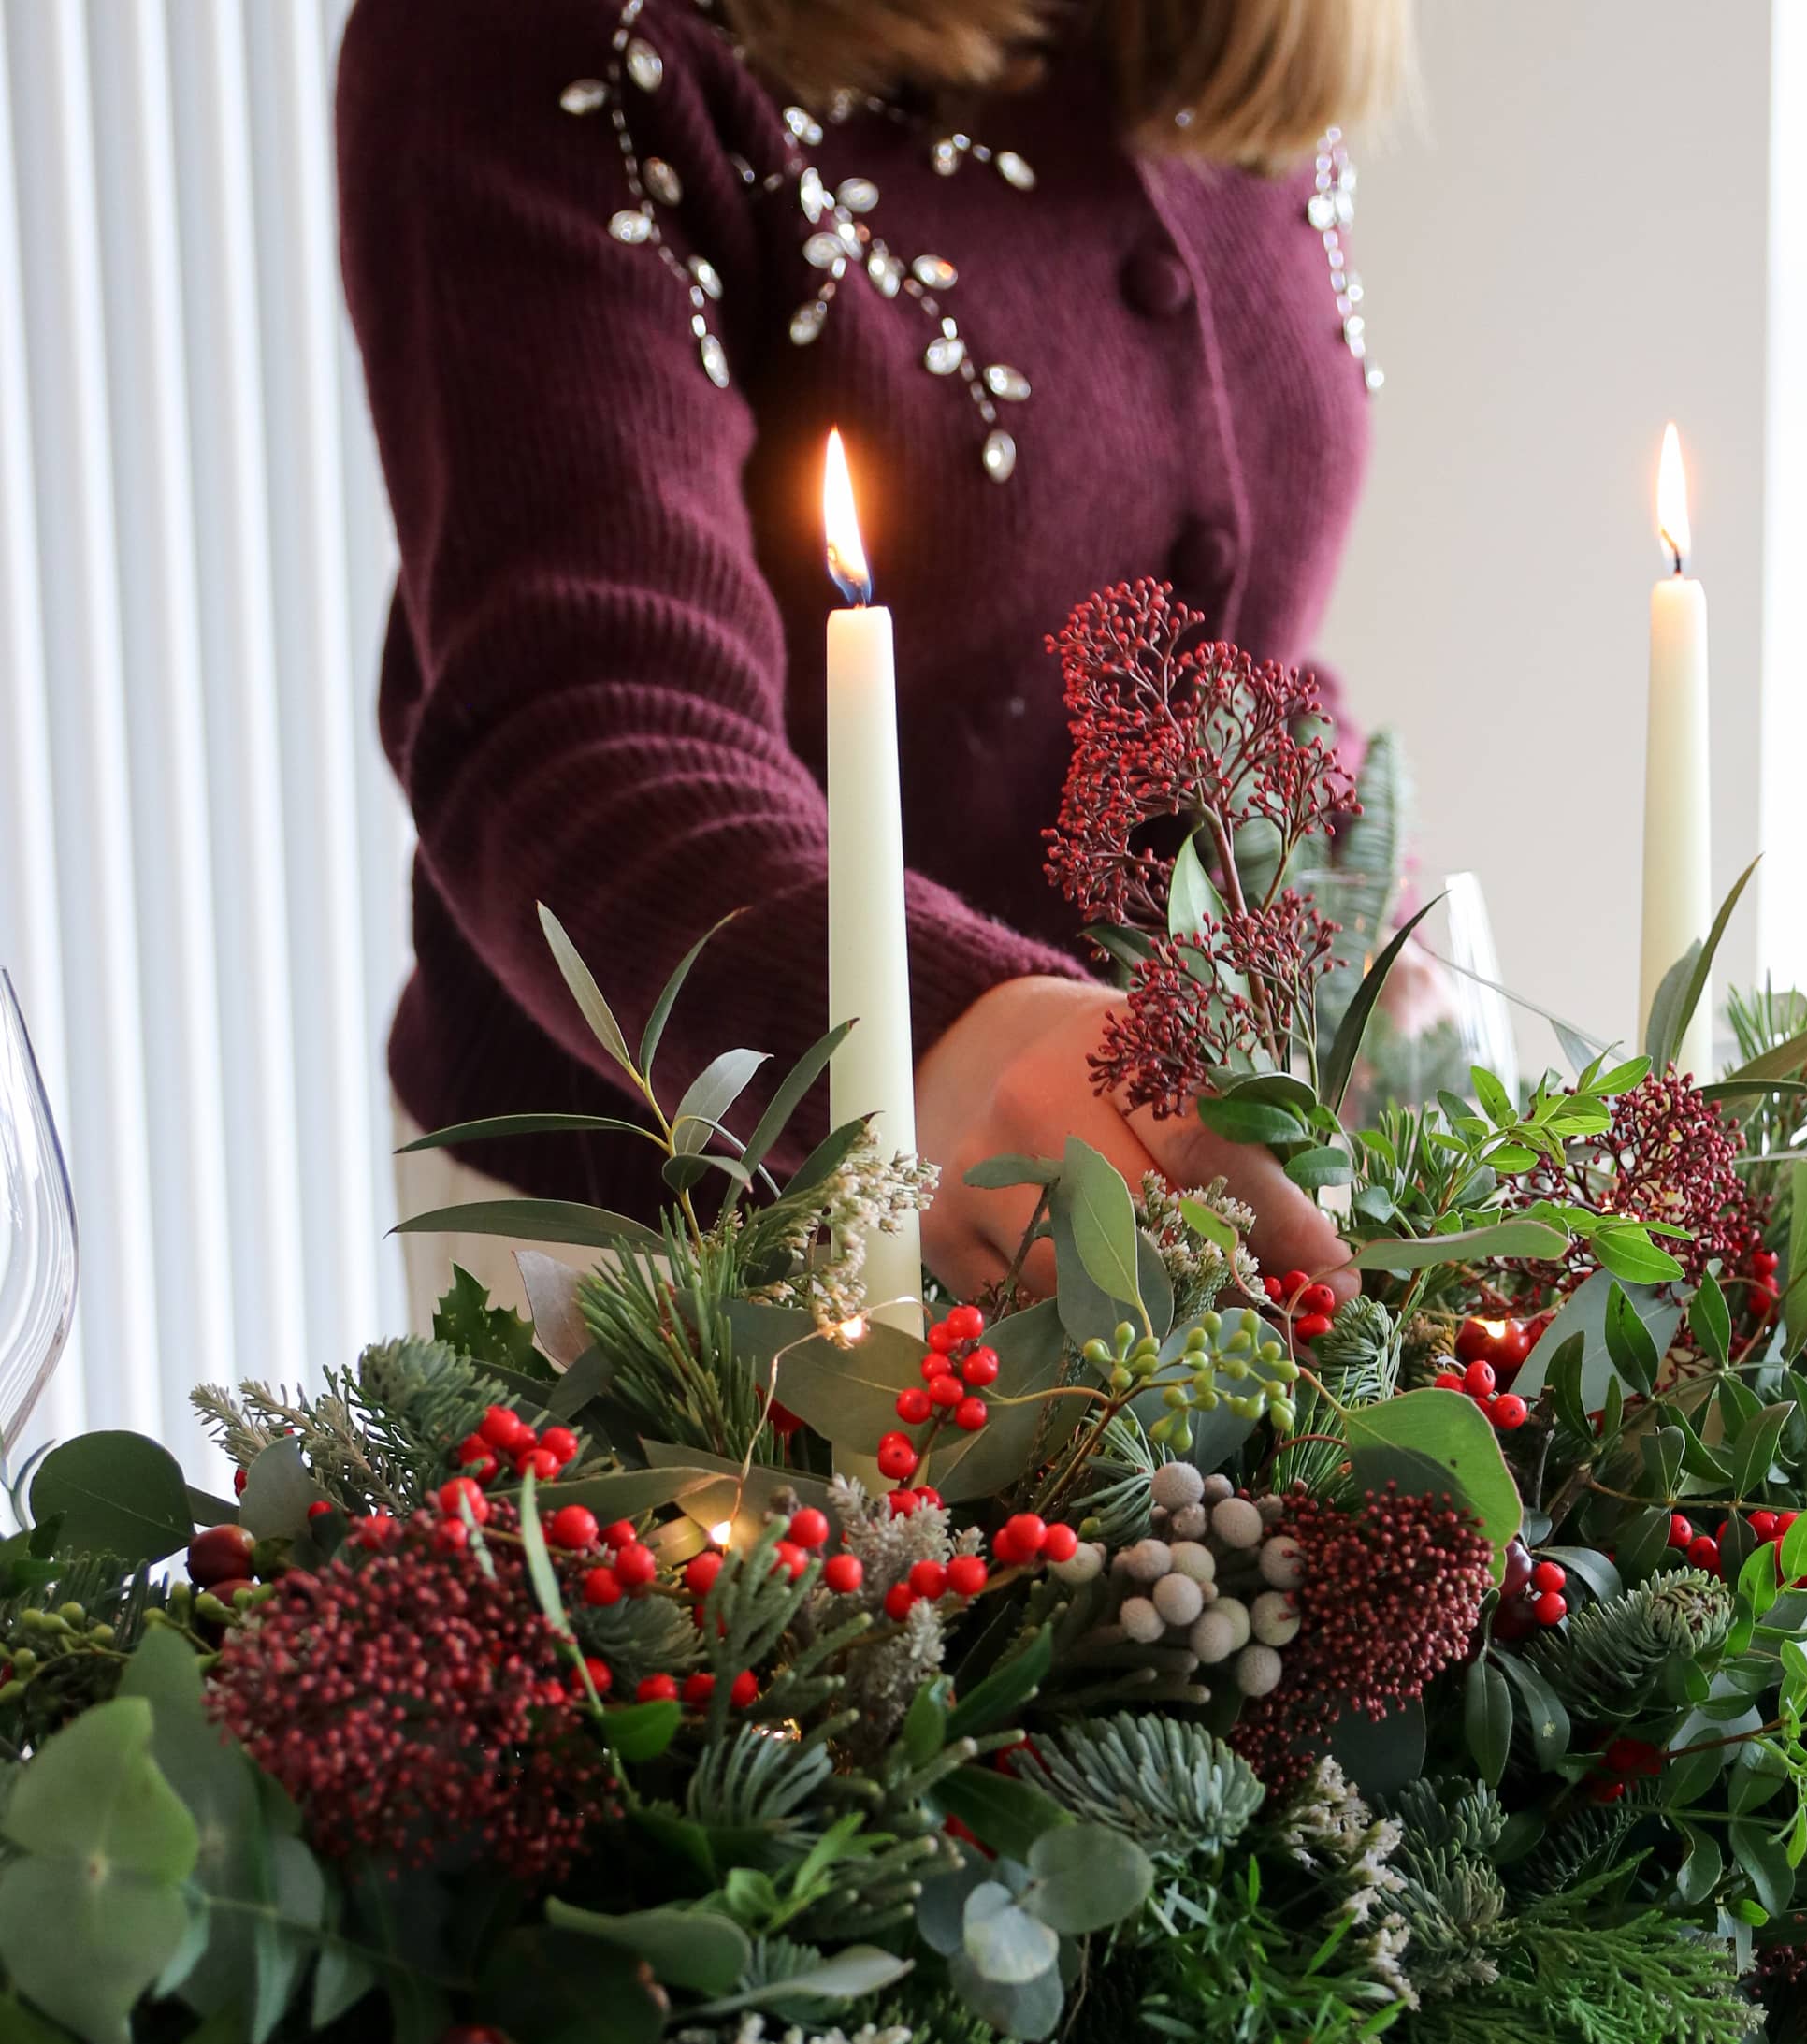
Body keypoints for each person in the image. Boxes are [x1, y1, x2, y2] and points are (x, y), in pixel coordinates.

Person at [338, 0, 1406, 1319]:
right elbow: (582, 725)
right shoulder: (551, 37)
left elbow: (1197, 613)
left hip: (1163, 1219)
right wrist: (953, 1035)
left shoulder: (1204, 36)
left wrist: (1328, 855)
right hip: (690, 1282)